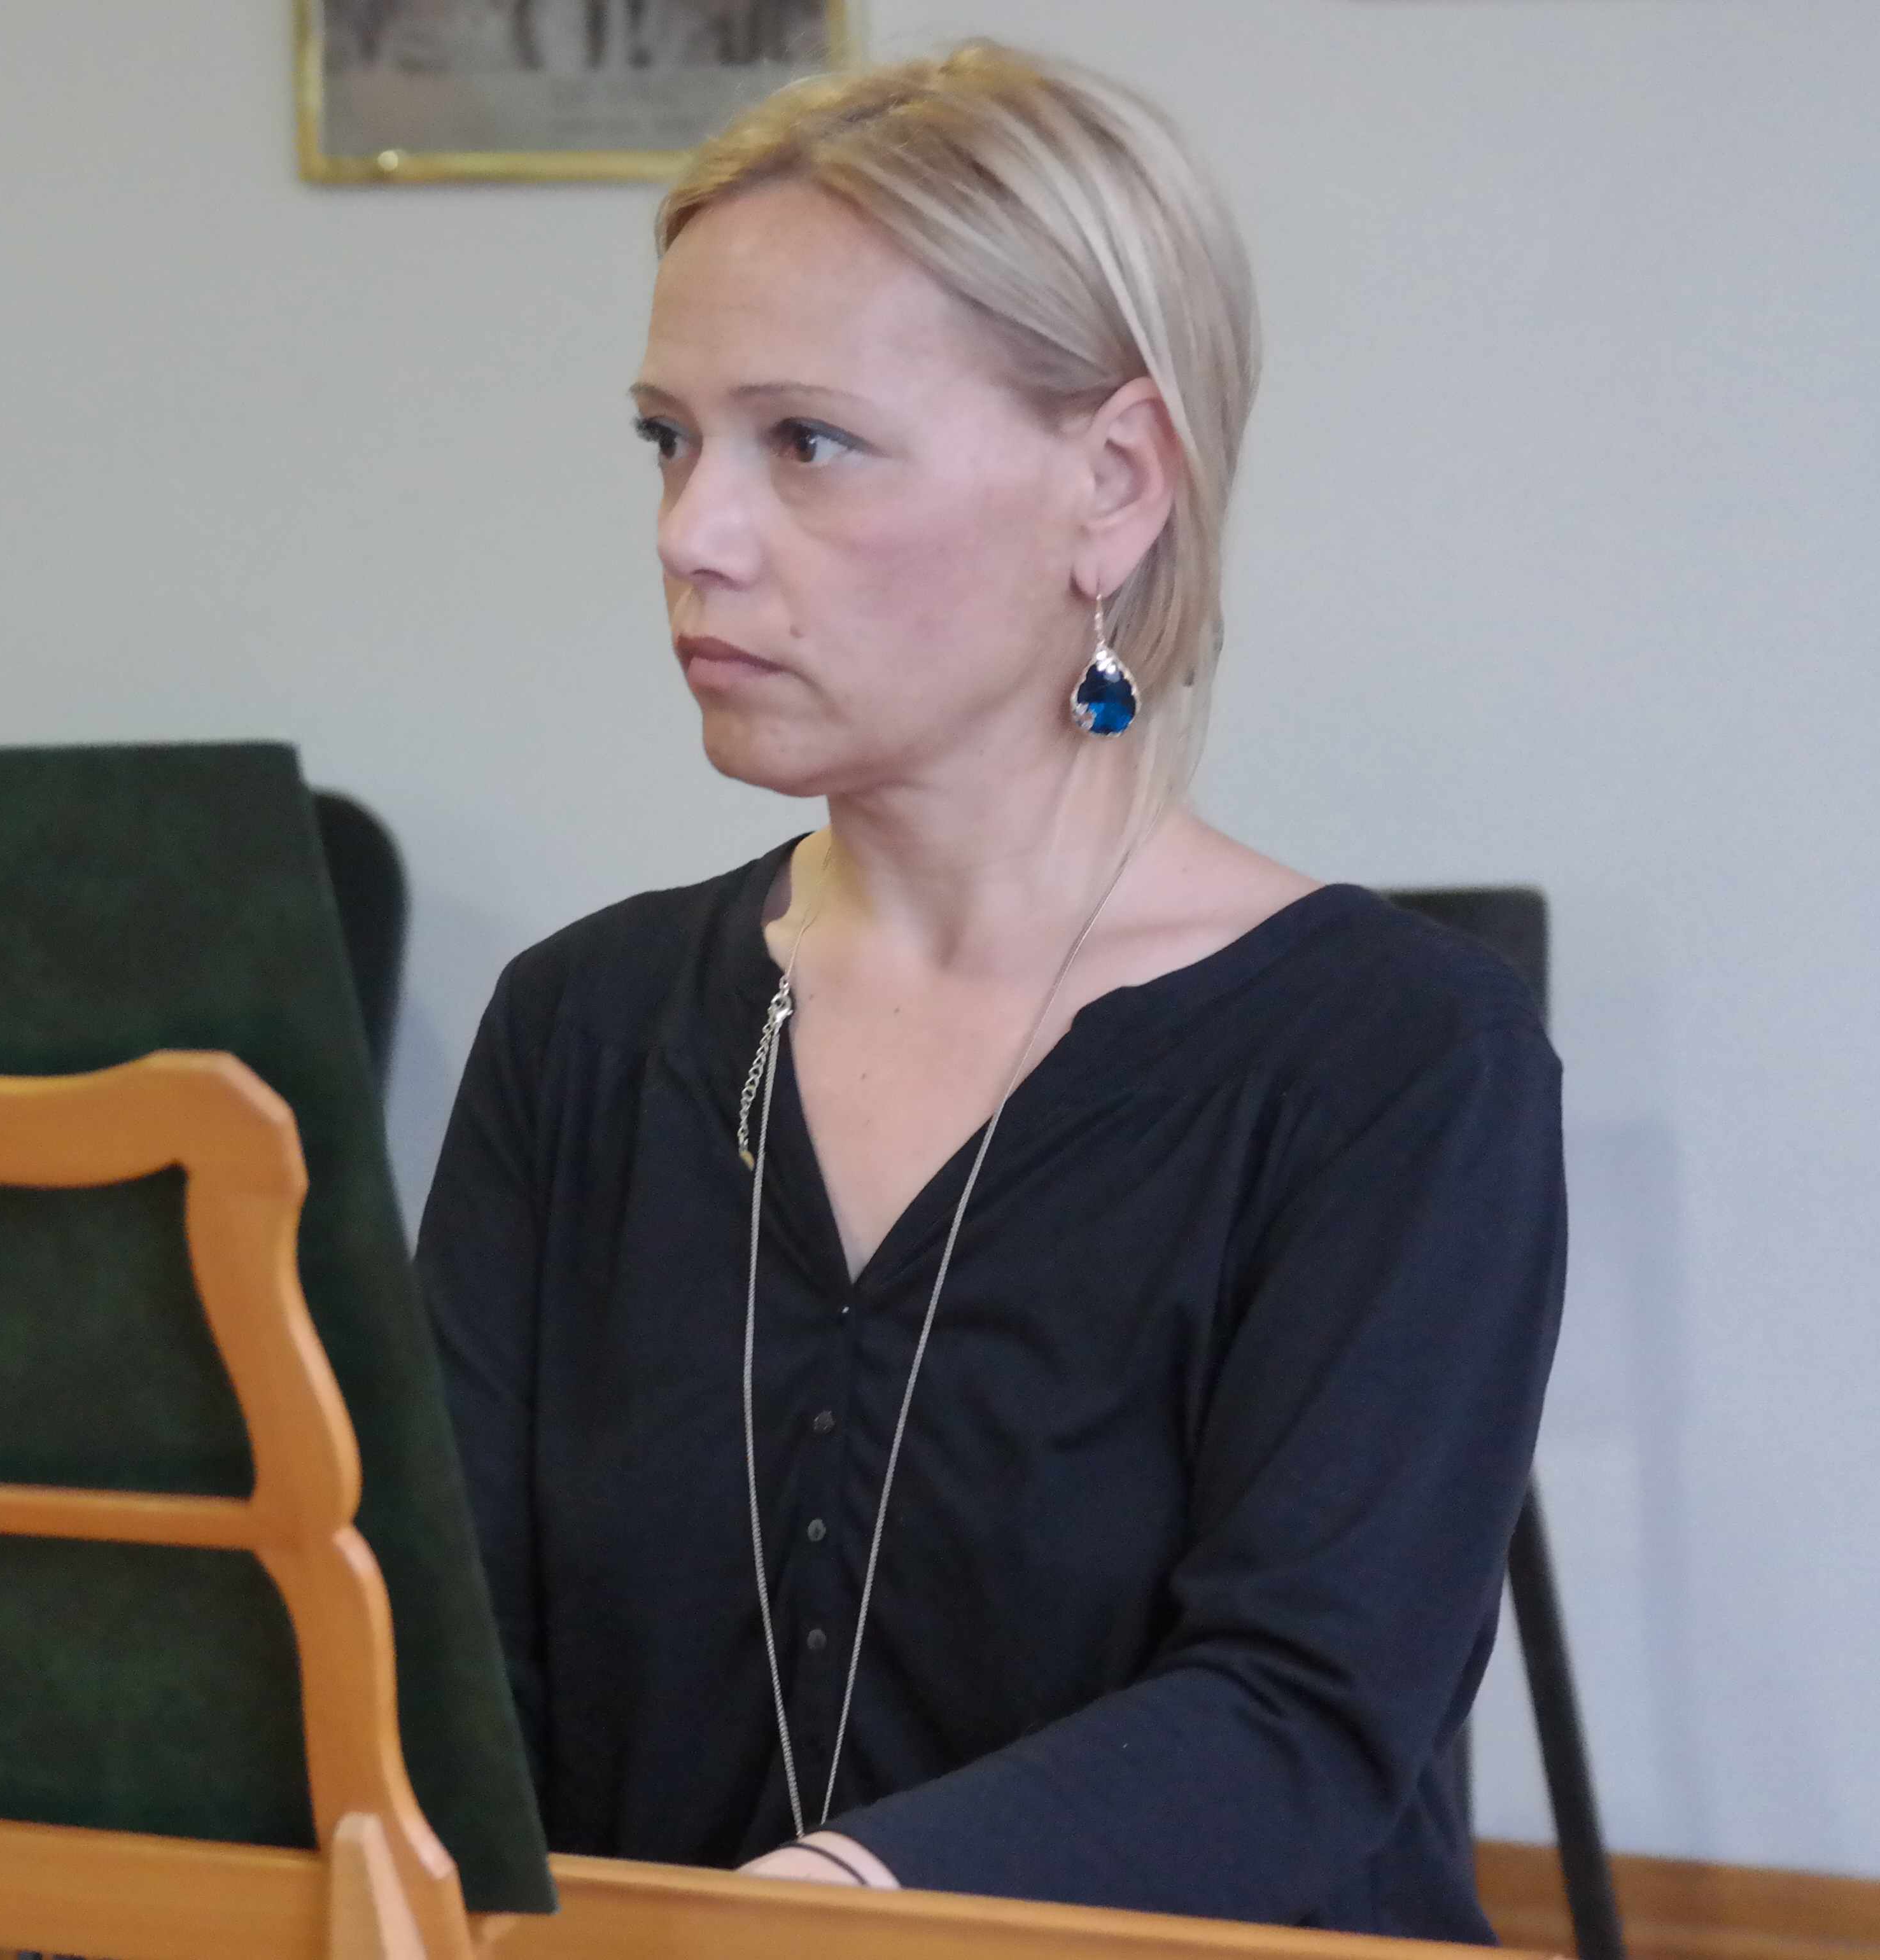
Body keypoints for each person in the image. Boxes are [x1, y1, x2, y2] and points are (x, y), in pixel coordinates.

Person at [416, 41, 1563, 1942]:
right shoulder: (583, 1027)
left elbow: (1301, 1715)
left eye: (806, 441)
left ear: (1111, 484)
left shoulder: (1395, 1058)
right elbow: (448, 1654)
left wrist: (813, 1919)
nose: (693, 532)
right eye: (668, 439)